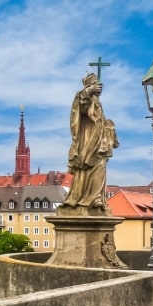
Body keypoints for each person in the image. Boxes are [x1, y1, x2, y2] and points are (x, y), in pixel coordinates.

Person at [64, 73, 118, 215]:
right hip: (87, 140)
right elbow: (81, 107)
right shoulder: (84, 96)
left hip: (99, 142)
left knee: (100, 167)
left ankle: (95, 198)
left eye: (98, 85)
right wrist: (89, 91)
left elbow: (100, 120)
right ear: (89, 85)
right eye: (94, 84)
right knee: (86, 168)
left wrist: (108, 128)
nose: (98, 87)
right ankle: (86, 198)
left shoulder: (98, 103)